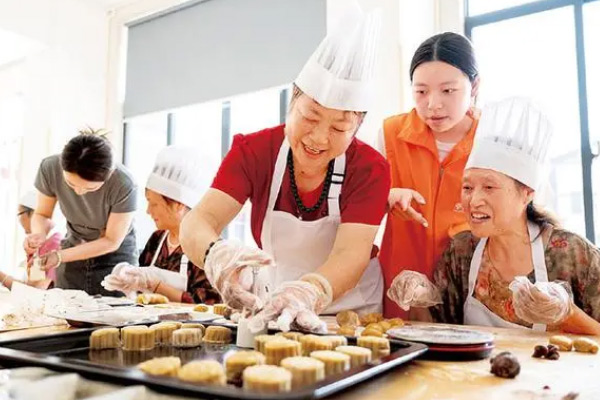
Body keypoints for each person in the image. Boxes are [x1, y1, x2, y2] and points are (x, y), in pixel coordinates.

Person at [180, 3, 390, 332]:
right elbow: (198, 221)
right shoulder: (253, 152)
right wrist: (216, 254)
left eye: (339, 128)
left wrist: (310, 291)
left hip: (353, 318)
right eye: (310, 116)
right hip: (275, 310)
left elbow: (351, 253)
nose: (319, 138)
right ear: (291, 102)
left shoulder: (370, 169)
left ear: (358, 127)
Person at [387, 97, 600, 335]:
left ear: (527, 193)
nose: (473, 200)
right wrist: (419, 296)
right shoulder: (462, 251)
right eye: (467, 188)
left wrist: (568, 315)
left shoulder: (573, 254)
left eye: (489, 188)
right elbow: (436, 331)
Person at [378, 32, 481, 318]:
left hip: (471, 295)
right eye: (421, 92)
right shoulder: (389, 134)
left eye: (448, 91)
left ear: (474, 86)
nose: (433, 104)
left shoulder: (491, 140)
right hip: (402, 293)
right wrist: (386, 197)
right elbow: (357, 204)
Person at [101, 146, 221, 304]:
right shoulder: (157, 239)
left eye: (154, 204)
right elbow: (143, 292)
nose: (148, 211)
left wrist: (155, 285)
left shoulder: (205, 246)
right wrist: (130, 283)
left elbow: (207, 303)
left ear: (178, 205)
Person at [24, 128, 138, 296]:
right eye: (71, 184)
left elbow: (112, 240)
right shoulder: (49, 168)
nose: (79, 192)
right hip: (73, 247)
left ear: (110, 173)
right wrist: (39, 235)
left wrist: (59, 256)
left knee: (112, 316)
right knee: (65, 313)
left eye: (90, 188)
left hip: (115, 257)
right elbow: (42, 214)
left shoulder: (124, 183)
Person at [0, 191, 61, 290]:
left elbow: (38, 291)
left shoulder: (56, 244)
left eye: (19, 214)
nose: (19, 220)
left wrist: (1, 277)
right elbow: (31, 285)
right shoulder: (41, 244)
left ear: (35, 213)